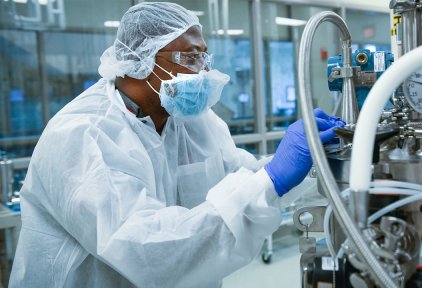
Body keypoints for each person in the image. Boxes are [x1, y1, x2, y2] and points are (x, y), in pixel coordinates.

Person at [9, 2, 344, 288]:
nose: (203, 72)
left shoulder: (191, 120)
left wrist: (317, 163)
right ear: (139, 61)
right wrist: (271, 178)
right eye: (189, 57)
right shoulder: (84, 134)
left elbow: (241, 176)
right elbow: (147, 249)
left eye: (203, 58)